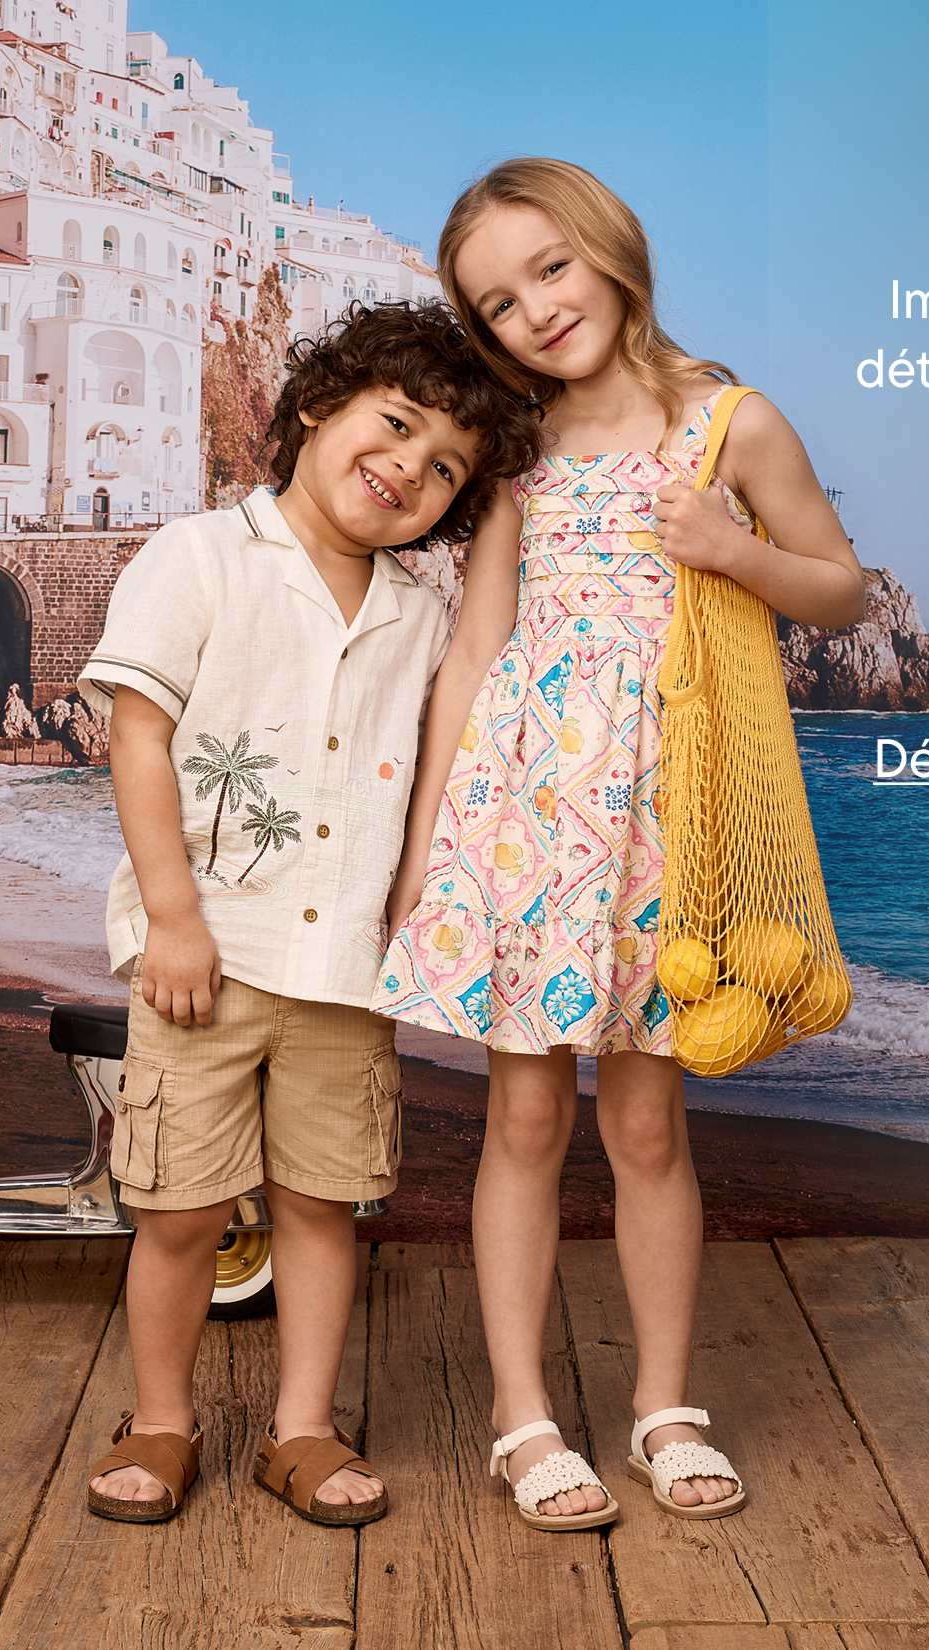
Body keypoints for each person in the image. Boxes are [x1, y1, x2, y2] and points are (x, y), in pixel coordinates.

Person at [374, 159, 866, 1530]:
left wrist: (732, 548)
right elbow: (475, 648)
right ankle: (522, 1417)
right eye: (495, 301)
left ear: (608, 250)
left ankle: (664, 1405)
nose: (532, 311)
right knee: (522, 1115)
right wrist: (430, 852)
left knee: (650, 1119)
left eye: (548, 268)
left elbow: (836, 583)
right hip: (525, 820)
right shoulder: (515, 447)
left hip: (672, 817)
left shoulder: (730, 424)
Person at [75, 300, 540, 1527]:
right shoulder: (199, 556)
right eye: (394, 426)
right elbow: (139, 734)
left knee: (320, 1210)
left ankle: (301, 1430)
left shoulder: (421, 617)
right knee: (178, 1212)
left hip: (345, 970)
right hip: (207, 959)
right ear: (317, 409)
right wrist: (172, 916)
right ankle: (163, 1419)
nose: (409, 468)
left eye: (447, 467)